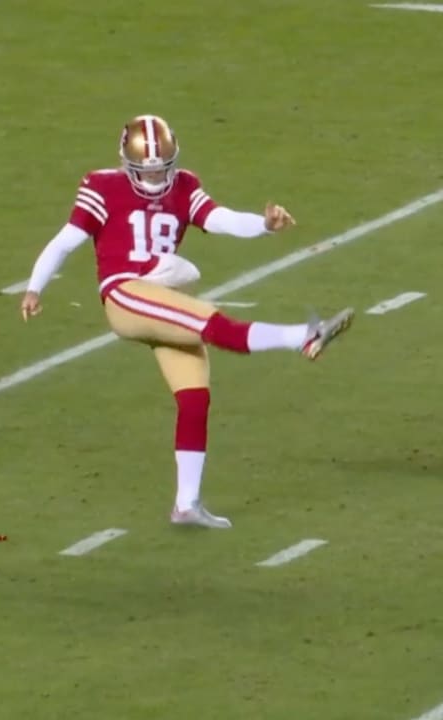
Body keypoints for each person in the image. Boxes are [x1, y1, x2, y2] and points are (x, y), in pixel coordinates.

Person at [20, 115, 353, 527]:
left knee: (195, 398)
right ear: (128, 163)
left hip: (161, 296)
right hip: (126, 293)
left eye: (163, 168)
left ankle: (187, 504)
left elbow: (219, 218)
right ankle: (302, 337)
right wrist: (36, 287)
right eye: (148, 170)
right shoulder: (102, 186)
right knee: (213, 323)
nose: (157, 177)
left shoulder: (186, 185)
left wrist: (263, 225)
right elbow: (65, 240)